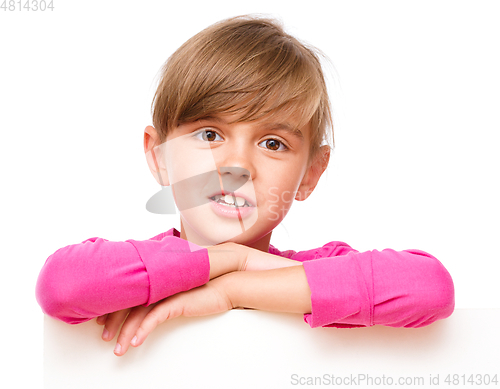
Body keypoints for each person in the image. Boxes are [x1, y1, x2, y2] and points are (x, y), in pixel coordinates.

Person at [35, 15, 455, 357]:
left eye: (273, 143)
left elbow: (429, 288)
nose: (237, 165)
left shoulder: (311, 269)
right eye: (209, 134)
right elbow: (63, 286)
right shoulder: (122, 272)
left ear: (310, 173)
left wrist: (236, 286)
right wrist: (228, 260)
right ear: (159, 155)